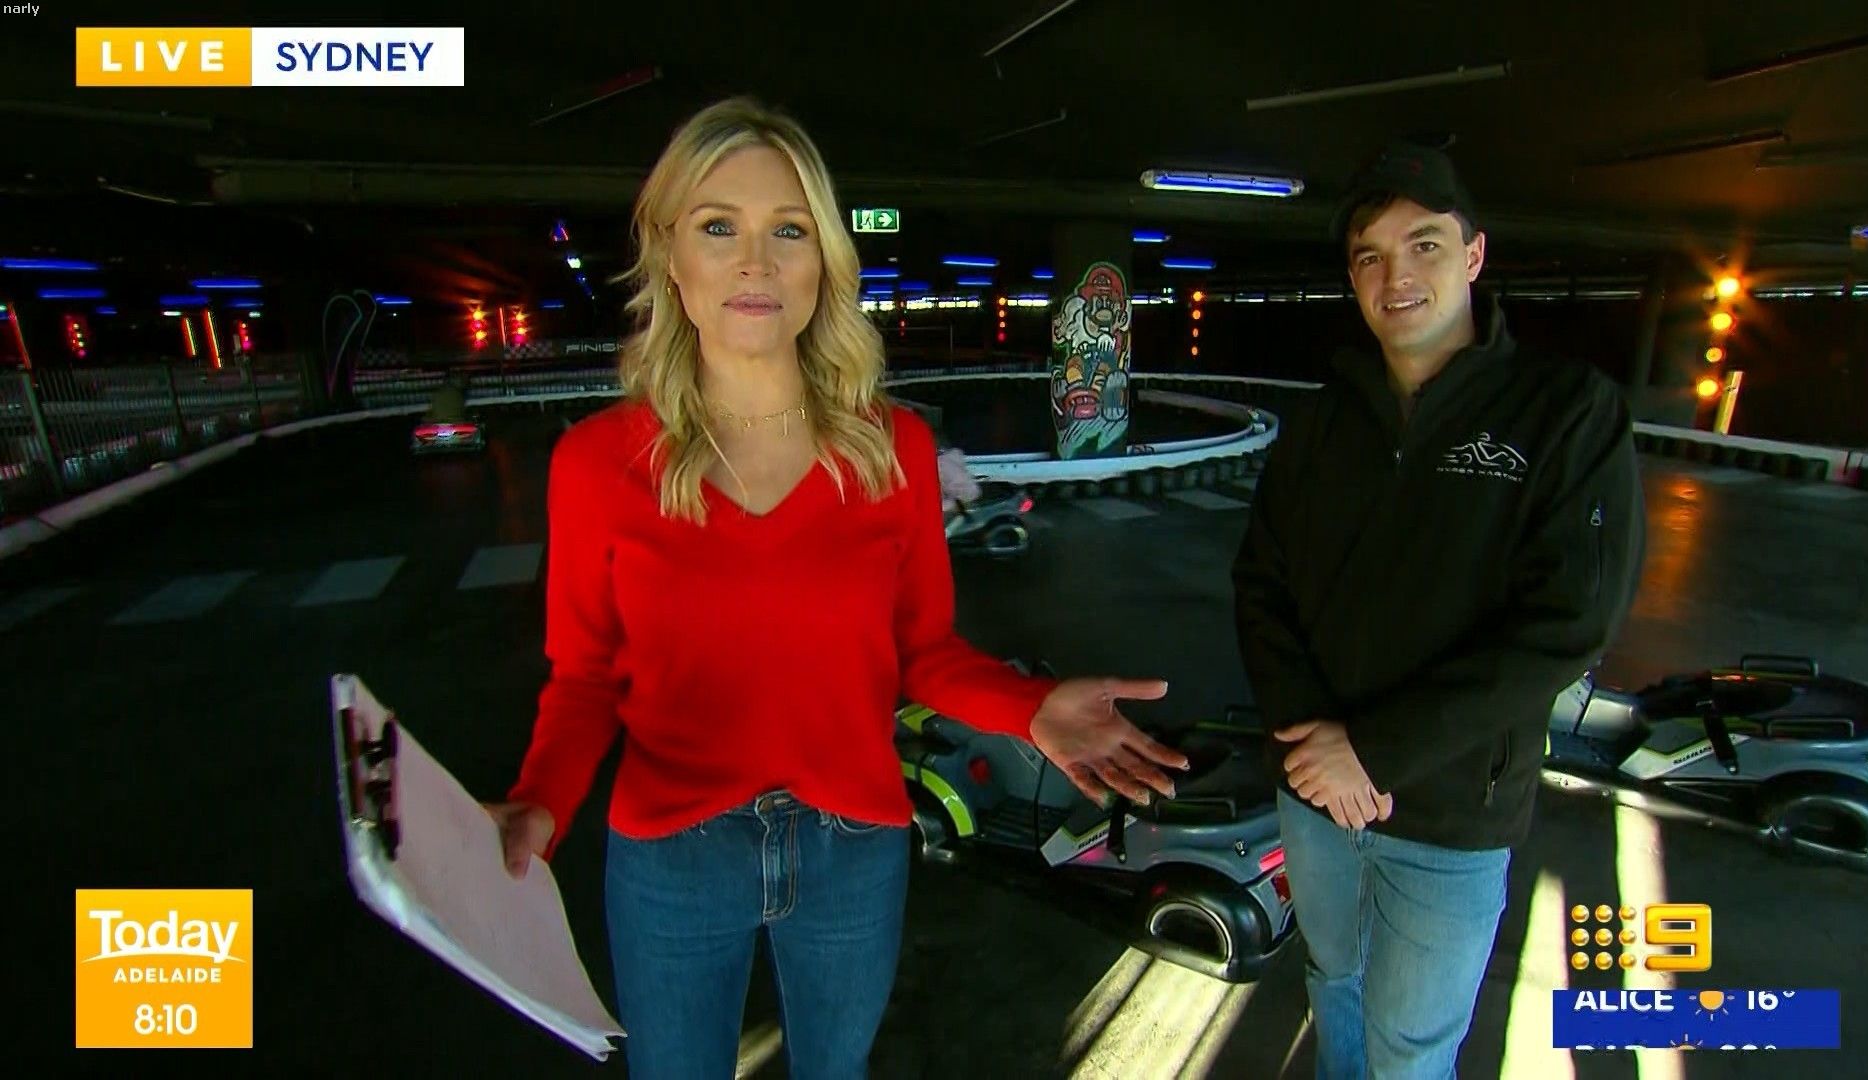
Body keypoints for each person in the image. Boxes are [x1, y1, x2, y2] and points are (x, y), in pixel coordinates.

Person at [484, 97, 1187, 1080]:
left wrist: (1030, 709)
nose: (755, 262)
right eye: (718, 227)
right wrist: (539, 805)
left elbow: (922, 652)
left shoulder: (892, 450)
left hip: (854, 847)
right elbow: (584, 678)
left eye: (790, 230)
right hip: (673, 855)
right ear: (671, 258)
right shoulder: (597, 464)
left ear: (824, 264)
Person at [1231, 140, 1645, 1078]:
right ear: (1352, 279)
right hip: (1315, 794)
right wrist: (1312, 741)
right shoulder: (1323, 423)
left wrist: (1374, 751)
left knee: (1412, 1045)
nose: (1397, 277)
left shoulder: (1565, 413)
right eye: (1370, 257)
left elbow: (1568, 623)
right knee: (1334, 984)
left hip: (1452, 814)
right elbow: (1261, 584)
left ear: (1474, 255)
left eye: (1423, 244)